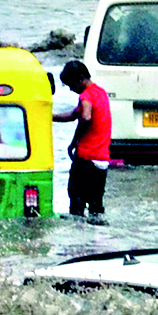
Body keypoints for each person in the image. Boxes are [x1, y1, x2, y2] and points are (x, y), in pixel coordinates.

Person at [53, 60, 112, 218]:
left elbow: (85, 117)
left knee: (76, 199)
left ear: (80, 79)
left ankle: (78, 239)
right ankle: (97, 239)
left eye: (71, 84)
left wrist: (74, 142)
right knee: (96, 204)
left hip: (86, 156)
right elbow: (74, 115)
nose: (71, 89)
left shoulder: (86, 96)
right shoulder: (100, 93)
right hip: (101, 159)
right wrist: (50, 117)